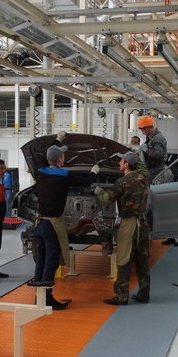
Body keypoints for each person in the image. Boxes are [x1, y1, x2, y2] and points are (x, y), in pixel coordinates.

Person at [28, 132, 100, 310]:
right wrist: (94, 172)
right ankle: (48, 299)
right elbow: (85, 182)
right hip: (53, 226)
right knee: (51, 261)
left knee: (42, 259)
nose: (64, 157)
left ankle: (39, 298)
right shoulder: (63, 175)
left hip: (40, 224)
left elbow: (45, 155)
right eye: (62, 155)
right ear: (60, 159)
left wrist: (58, 140)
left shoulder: (40, 172)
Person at [95, 151, 151, 305]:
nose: (119, 163)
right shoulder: (144, 177)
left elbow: (107, 199)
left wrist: (97, 189)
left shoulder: (122, 182)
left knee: (124, 258)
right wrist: (134, 155)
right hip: (142, 223)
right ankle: (144, 294)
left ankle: (121, 295)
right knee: (142, 260)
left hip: (128, 224)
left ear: (126, 165)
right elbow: (142, 167)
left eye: (121, 161)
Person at [138, 114, 178, 247]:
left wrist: (146, 149)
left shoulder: (158, 138)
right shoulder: (151, 138)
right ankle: (170, 235)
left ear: (149, 127)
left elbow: (158, 154)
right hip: (153, 174)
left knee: (163, 207)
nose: (142, 132)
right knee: (162, 208)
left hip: (156, 175)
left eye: (143, 129)